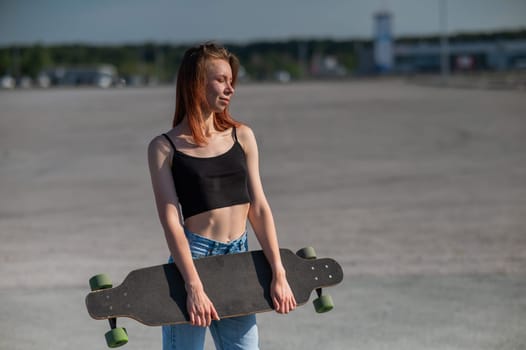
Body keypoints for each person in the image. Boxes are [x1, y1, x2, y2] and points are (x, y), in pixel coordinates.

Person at [148, 42, 297, 350]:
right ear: (195, 83)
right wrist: (193, 286)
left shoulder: (242, 135)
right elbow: (171, 221)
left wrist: (278, 272)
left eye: (232, 81)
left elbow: (259, 208)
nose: (230, 88)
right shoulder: (164, 148)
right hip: (193, 261)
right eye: (221, 80)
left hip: (239, 260)